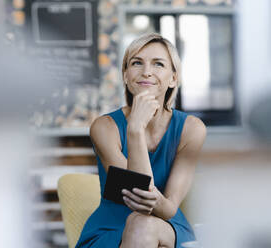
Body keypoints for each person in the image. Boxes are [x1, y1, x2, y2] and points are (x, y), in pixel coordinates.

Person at [75, 33, 207, 248]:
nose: (147, 72)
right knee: (140, 224)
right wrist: (135, 129)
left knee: (143, 225)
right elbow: (139, 197)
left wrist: (158, 201)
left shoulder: (192, 129)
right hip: (111, 230)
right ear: (126, 76)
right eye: (137, 63)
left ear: (173, 78)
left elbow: (168, 208)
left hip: (166, 225)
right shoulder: (104, 127)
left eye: (158, 64)